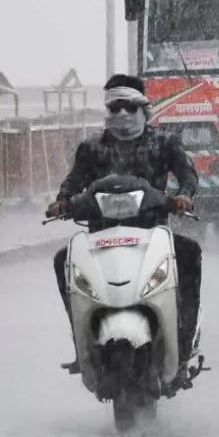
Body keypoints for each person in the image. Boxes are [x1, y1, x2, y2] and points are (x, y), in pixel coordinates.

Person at [47, 74, 203, 375]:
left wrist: (183, 195)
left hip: (152, 235)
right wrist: (63, 200)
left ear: (143, 109)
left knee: (190, 254)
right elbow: (73, 182)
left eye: (129, 107)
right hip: (100, 238)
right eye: (115, 107)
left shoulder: (164, 143)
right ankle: (82, 344)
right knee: (62, 260)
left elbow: (188, 175)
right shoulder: (92, 148)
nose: (121, 115)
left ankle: (184, 341)